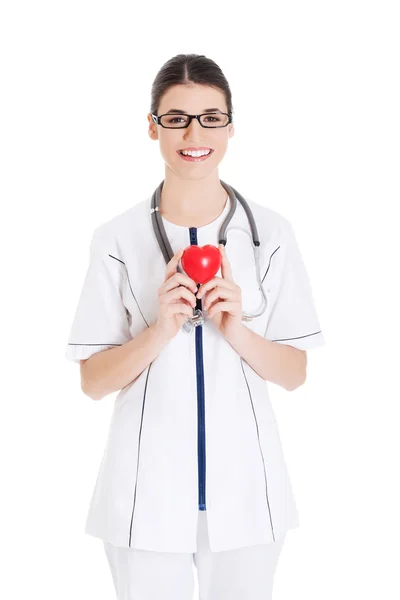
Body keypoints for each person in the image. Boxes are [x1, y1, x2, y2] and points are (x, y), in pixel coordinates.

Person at [65, 53, 325, 600]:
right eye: (177, 117)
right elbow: (92, 381)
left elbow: (296, 372)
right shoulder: (115, 238)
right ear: (153, 126)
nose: (194, 132)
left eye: (210, 116)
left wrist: (237, 329)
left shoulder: (271, 234)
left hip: (249, 495)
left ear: (230, 126)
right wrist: (159, 330)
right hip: (143, 495)